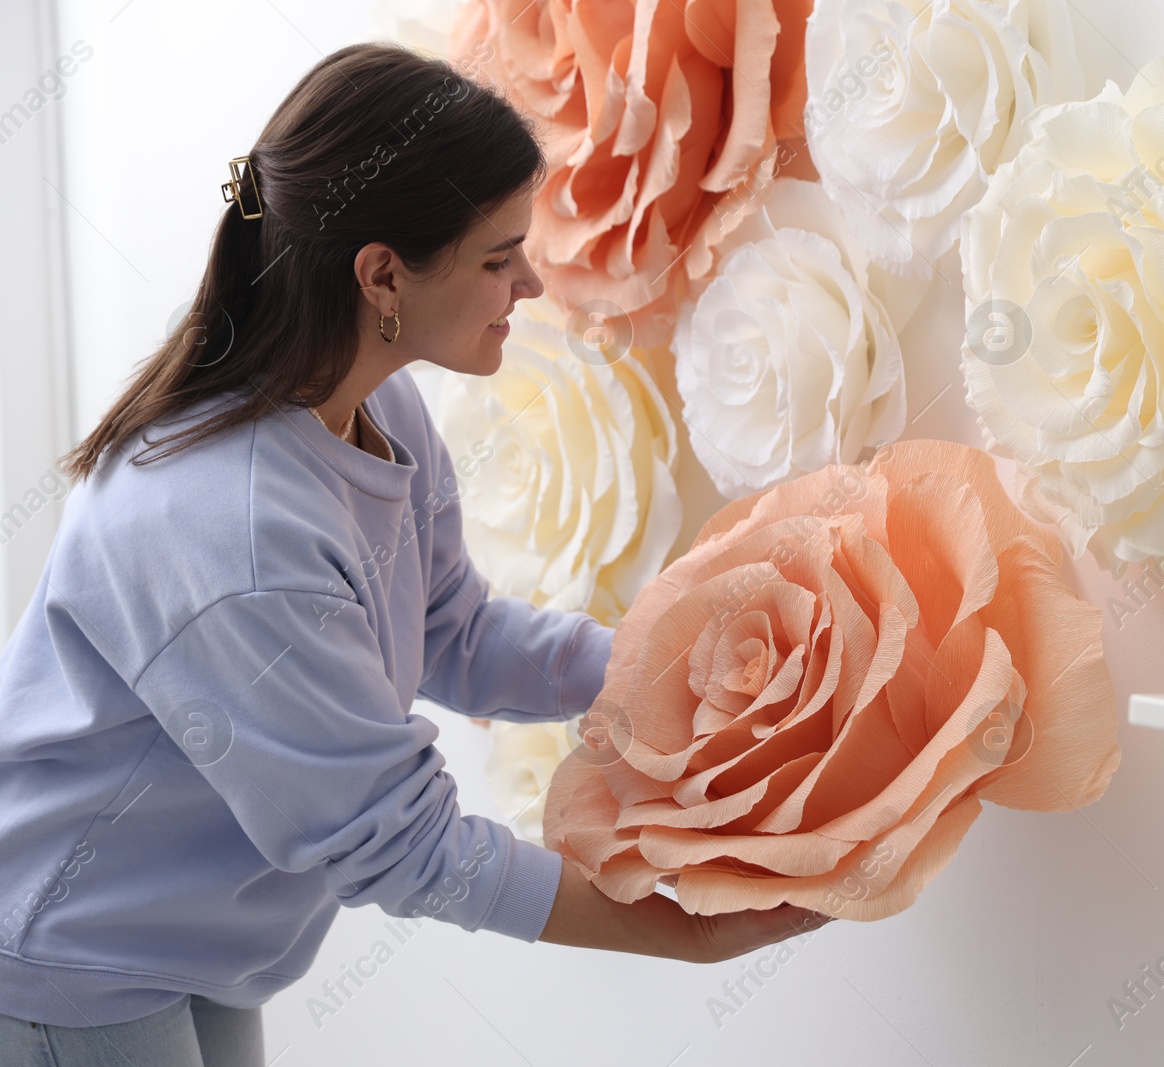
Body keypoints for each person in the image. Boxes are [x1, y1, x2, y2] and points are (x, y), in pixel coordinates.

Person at [0, 41, 830, 1067]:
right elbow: (404, 842)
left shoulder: (368, 394)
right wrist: (690, 936)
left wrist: (673, 665)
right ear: (383, 273)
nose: (529, 281)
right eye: (497, 257)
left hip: (196, 937)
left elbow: (455, 631)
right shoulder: (237, 529)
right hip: (73, 947)